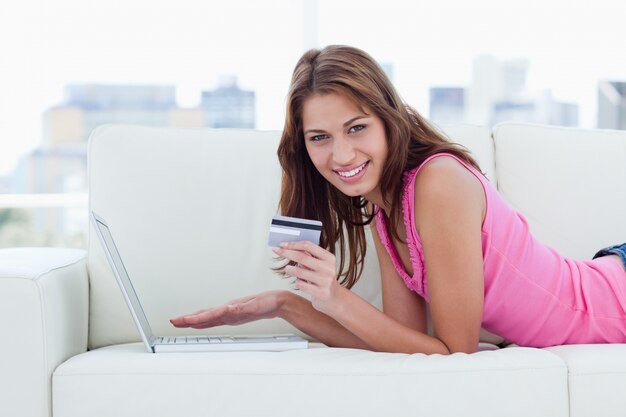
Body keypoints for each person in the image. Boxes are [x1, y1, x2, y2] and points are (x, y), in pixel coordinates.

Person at [171, 45, 626, 354]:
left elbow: (454, 353)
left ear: (388, 119)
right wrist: (286, 305)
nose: (342, 154)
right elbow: (403, 342)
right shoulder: (385, 209)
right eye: (320, 137)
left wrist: (333, 295)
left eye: (356, 128)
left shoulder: (438, 183)